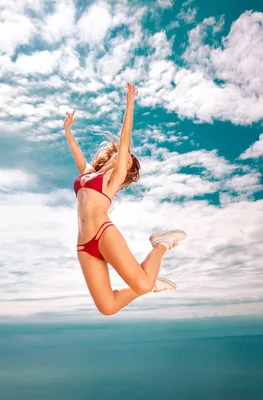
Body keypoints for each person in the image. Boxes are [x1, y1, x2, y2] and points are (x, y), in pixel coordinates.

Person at [64, 82, 187, 316]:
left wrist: (130, 103)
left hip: (102, 233)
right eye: (126, 157)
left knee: (142, 284)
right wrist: (67, 130)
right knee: (107, 307)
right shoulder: (89, 173)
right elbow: (77, 152)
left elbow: (125, 136)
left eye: (128, 161)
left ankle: (162, 243)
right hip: (83, 244)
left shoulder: (112, 179)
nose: (125, 159)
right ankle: (149, 279)